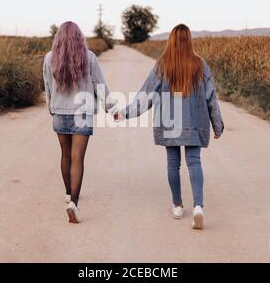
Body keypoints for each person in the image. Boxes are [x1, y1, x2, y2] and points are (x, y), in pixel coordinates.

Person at [115, 24, 224, 230]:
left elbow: (146, 95)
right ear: (189, 40)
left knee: (173, 164)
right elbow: (211, 97)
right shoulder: (200, 64)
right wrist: (217, 125)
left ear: (171, 41)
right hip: (194, 122)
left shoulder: (163, 64)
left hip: (169, 123)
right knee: (194, 162)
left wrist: (125, 112)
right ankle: (199, 206)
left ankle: (177, 205)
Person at [43, 21, 115, 224]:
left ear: (58, 38)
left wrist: (51, 107)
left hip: (60, 111)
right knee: (77, 158)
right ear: (79, 37)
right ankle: (73, 202)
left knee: (65, 155)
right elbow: (100, 86)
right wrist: (111, 108)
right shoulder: (89, 57)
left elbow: (47, 86)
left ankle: (68, 193)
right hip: (82, 113)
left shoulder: (49, 58)